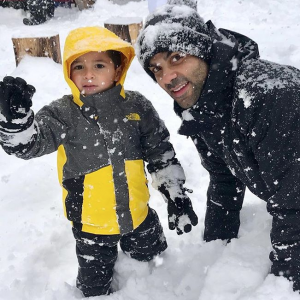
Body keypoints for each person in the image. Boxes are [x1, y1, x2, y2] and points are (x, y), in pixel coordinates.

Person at [0, 26, 198, 297]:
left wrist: (175, 193)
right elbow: (31, 143)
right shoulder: (63, 113)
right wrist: (16, 124)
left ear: (118, 70)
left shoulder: (136, 107)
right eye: (78, 66)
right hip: (91, 226)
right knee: (93, 289)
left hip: (139, 216)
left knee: (155, 267)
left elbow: (160, 151)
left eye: (99, 65)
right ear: (68, 72)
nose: (88, 74)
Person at [136, 0, 300, 293]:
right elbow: (225, 178)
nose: (167, 77)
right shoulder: (204, 106)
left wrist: (285, 286)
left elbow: (296, 201)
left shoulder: (268, 95)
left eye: (177, 57)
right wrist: (214, 250)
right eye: (156, 68)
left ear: (203, 51)